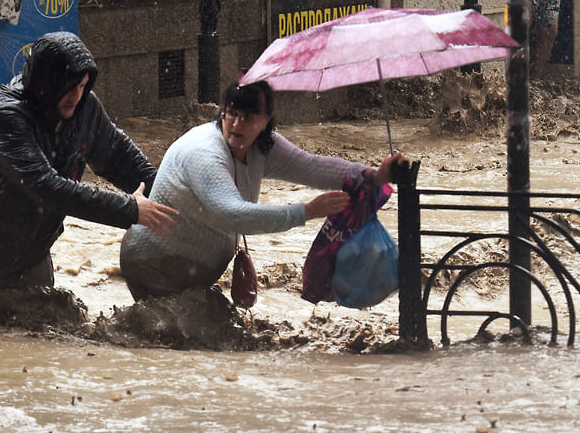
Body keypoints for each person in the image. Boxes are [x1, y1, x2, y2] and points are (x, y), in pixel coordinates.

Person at [0, 31, 177, 302]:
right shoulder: (4, 115)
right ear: (45, 81)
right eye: (68, 86)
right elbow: (46, 187)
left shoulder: (86, 109)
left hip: (27, 256)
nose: (76, 96)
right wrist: (130, 210)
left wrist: (174, 203)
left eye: (82, 86)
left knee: (40, 338)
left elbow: (119, 157)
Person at [119, 80, 408, 301]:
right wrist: (306, 211)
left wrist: (374, 175)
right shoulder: (203, 151)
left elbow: (313, 167)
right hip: (153, 265)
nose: (236, 124)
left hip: (193, 272)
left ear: (266, 122)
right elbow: (232, 213)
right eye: (230, 114)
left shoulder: (264, 146)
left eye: (248, 117)